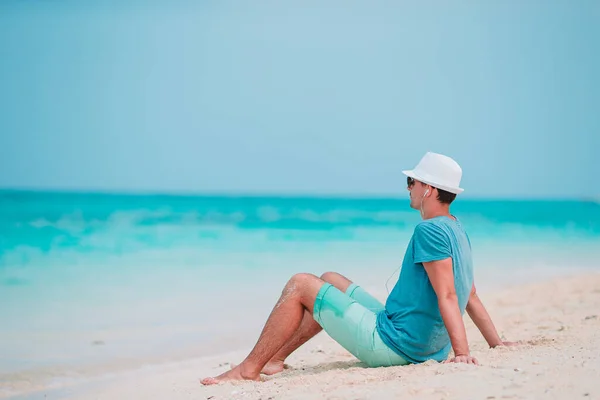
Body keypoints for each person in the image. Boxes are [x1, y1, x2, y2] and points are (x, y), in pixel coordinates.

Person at [201, 152, 516, 385]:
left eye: (412, 182)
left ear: (428, 190)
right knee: (329, 280)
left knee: (300, 284)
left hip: (398, 346)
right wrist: (495, 343)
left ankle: (248, 369)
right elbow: (470, 294)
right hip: (421, 342)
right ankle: (275, 359)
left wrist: (462, 353)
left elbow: (449, 294)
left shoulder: (429, 230)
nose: (408, 189)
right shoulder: (455, 227)